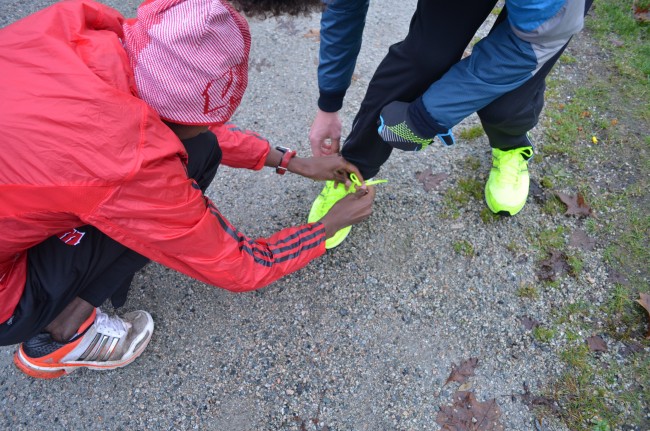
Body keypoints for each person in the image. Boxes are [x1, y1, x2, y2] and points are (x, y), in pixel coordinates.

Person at [0, 0, 376, 379]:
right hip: (6, 301)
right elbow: (241, 267)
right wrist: (326, 226)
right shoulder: (127, 161)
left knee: (199, 150)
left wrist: (290, 161)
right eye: (204, 120)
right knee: (172, 188)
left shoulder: (80, 27)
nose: (207, 127)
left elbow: (170, 120)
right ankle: (63, 335)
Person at [307, 0, 593, 246]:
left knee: (507, 102)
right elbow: (343, 8)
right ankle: (354, 170)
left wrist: (424, 118)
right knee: (423, 58)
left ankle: (510, 146)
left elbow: (531, 45)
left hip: (547, 16)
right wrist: (329, 103)